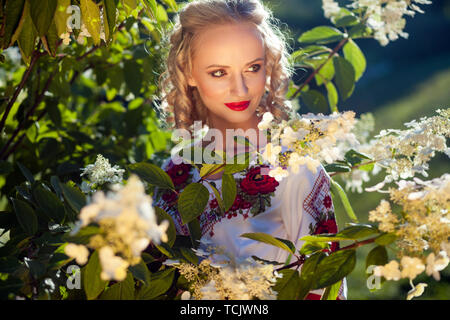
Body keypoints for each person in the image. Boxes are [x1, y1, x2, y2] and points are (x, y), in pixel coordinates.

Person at [154, 0, 346, 300]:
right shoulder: (174, 171)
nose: (241, 90)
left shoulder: (296, 172)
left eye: (252, 68)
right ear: (189, 72)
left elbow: (325, 291)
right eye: (219, 72)